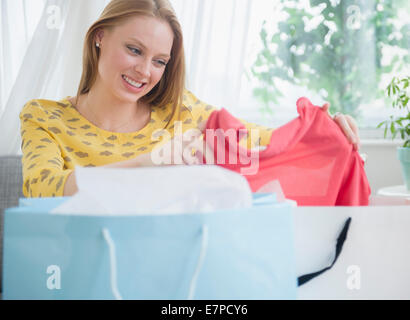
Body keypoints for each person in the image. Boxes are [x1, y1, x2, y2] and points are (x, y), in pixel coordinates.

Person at [20, 0, 360, 198]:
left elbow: (265, 141)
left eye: (159, 61)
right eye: (134, 50)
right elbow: (43, 188)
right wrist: (149, 163)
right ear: (99, 37)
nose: (144, 71)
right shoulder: (44, 117)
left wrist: (327, 131)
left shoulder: (180, 111)